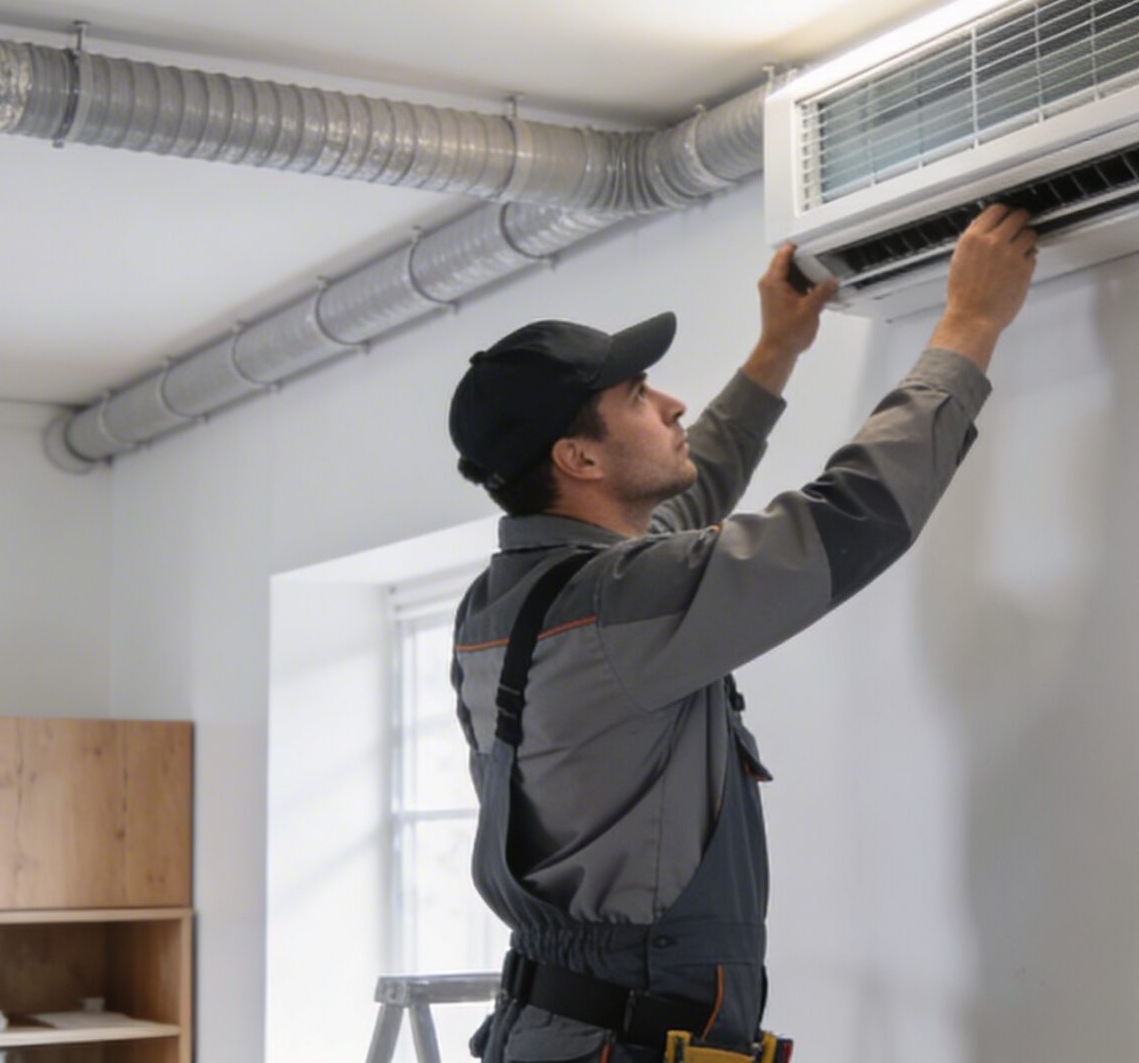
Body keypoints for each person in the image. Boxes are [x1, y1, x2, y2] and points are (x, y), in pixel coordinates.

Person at [444, 205, 1040, 1063]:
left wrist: (776, 352)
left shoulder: (506, 601)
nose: (671, 402)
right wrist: (970, 322)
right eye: (637, 396)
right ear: (579, 458)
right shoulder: (621, 598)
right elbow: (855, 514)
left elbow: (683, 500)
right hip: (624, 1041)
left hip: (566, 1023)